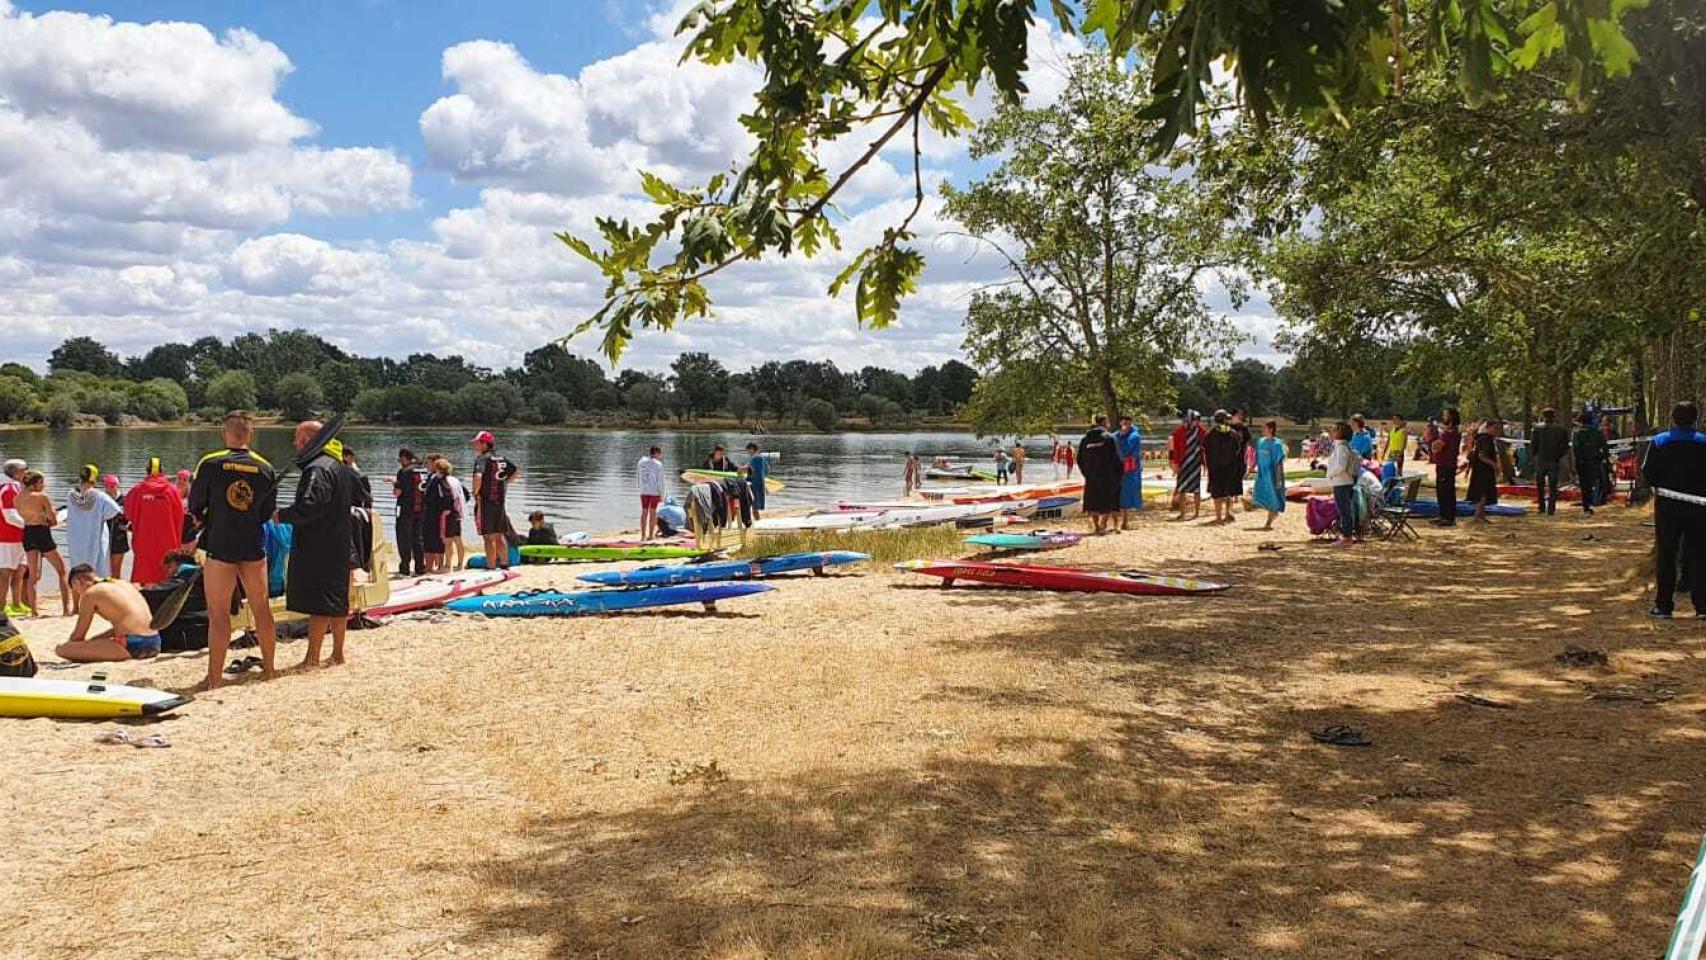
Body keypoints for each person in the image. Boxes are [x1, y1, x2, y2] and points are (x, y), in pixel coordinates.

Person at [188, 410, 279, 689]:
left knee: (218, 615)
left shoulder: (211, 463)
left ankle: (214, 678)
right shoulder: (266, 468)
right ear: (250, 434)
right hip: (252, 544)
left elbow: (194, 505)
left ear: (224, 433)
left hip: (220, 544)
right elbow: (265, 512)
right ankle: (269, 671)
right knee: (262, 610)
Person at [278, 421, 359, 669]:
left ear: (310, 440)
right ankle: (337, 653)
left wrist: (282, 515)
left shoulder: (317, 469)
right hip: (340, 541)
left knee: (319, 603)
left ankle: (312, 656)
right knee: (337, 600)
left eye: (297, 438)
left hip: (319, 543)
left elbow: (309, 506)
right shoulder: (342, 468)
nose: (294, 443)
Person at [1641, 401, 1706, 619]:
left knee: (1666, 554)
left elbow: (1647, 471)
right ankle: (1702, 606)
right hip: (1699, 508)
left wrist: (1662, 486)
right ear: (1695, 420)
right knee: (1699, 554)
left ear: (1672, 418)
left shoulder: (1660, 441)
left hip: (1668, 507)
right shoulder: (1703, 442)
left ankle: (1664, 605)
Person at [54, 566, 159, 662]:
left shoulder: (91, 593)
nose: (80, 594)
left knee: (61, 649)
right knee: (92, 642)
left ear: (78, 582)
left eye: (77, 590)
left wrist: (72, 645)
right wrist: (95, 640)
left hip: (132, 646)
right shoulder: (124, 583)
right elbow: (127, 625)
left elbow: (78, 636)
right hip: (155, 641)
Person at [123, 458, 184, 585]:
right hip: (168, 543)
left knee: (143, 576)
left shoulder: (137, 490)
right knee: (166, 573)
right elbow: (180, 516)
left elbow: (127, 513)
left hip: (143, 542)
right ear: (162, 471)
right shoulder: (172, 491)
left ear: (147, 471)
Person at [18, 471, 70, 615]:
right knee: (62, 570)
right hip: (42, 532)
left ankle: (34, 611)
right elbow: (53, 519)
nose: (44, 485)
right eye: (41, 482)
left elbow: (25, 515)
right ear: (34, 484)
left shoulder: (17, 499)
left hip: (28, 533)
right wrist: (51, 520)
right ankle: (66, 609)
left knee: (33, 576)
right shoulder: (42, 497)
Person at [65, 465, 121, 577]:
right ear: (94, 479)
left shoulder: (71, 495)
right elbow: (115, 510)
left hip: (76, 541)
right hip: (95, 540)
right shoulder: (100, 496)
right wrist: (101, 516)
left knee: (78, 572)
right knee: (99, 573)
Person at [471, 430, 516, 571]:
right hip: (500, 502)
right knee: (498, 534)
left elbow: (478, 477)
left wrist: (475, 492)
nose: (475, 445)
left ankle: (490, 567)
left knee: (487, 537)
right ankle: (504, 564)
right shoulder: (501, 458)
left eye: (477, 443)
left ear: (485, 444)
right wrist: (504, 483)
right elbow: (515, 471)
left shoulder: (482, 459)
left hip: (486, 501)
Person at [1077, 416, 1122, 535]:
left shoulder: (1085, 440)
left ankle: (1097, 526)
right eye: (1107, 422)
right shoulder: (1109, 438)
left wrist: (1086, 473)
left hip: (1091, 476)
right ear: (1103, 423)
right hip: (1108, 476)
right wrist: (1119, 473)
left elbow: (1079, 459)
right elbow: (1116, 458)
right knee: (1109, 501)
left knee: (1093, 503)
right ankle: (1104, 524)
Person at [1203, 410, 1244, 524]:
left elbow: (1206, 449)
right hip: (1229, 467)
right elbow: (1238, 449)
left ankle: (1219, 516)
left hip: (1216, 467)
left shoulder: (1210, 434)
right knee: (1227, 491)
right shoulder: (1233, 433)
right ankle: (1226, 513)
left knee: (1218, 492)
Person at [392, 448, 428, 577]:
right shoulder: (423, 470)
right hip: (420, 509)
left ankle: (405, 568)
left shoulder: (403, 472)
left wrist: (394, 483)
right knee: (418, 539)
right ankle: (420, 567)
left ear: (403, 458)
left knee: (403, 539)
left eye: (400, 460)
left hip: (405, 509)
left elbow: (397, 493)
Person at [1529, 408, 1571, 516]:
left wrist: (1535, 456)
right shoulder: (1561, 429)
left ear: (1543, 416)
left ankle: (1541, 507)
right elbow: (1565, 446)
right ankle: (1551, 509)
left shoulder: (1537, 429)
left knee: (1540, 485)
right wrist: (1558, 455)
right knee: (1553, 485)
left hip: (1541, 459)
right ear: (1554, 416)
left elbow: (1533, 445)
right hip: (1554, 460)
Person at [0, 460, 26, 617]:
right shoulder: (9, 489)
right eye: (25, 470)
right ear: (17, 472)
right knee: (6, 571)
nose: (27, 473)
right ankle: (1, 606)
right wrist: (29, 524)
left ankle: (16, 604)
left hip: (17, 535)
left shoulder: (15, 487)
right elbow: (10, 515)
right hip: (8, 536)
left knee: (19, 569)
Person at [1327, 422, 1359, 546]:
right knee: (1344, 509)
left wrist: (1331, 473)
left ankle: (1347, 537)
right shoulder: (1341, 446)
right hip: (1343, 481)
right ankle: (1346, 535)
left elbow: (1341, 465)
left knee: (1344, 510)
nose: (1332, 432)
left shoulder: (1342, 447)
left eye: (1334, 430)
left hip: (1342, 482)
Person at [1430, 409, 1463, 527]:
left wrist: (1435, 445)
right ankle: (1443, 515)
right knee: (1441, 491)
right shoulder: (1448, 432)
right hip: (1442, 464)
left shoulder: (1451, 433)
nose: (1443, 417)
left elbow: (1438, 446)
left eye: (1445, 415)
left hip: (1447, 465)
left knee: (1446, 491)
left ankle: (1448, 517)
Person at [1252, 420, 1288, 530]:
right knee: (1261, 495)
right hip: (1262, 473)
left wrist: (1278, 479)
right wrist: (1252, 467)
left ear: (1271, 429)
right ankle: (1273, 513)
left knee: (1273, 496)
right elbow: (1257, 457)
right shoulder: (1260, 441)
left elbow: (1278, 463)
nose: (1262, 429)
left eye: (1264, 427)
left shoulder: (1277, 444)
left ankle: (1269, 520)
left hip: (1272, 474)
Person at [1170, 411, 1206, 519]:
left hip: (1195, 463)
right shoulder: (1179, 432)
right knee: (1182, 489)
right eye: (1195, 420)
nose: (1197, 422)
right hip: (1183, 462)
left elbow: (1205, 446)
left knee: (1196, 489)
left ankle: (1197, 513)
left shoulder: (1200, 431)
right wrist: (1174, 463)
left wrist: (1205, 463)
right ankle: (1182, 513)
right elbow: (1174, 448)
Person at [421, 453, 453, 574]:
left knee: (432, 540)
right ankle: (433, 566)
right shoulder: (434, 478)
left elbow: (447, 496)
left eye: (429, 463)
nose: (426, 465)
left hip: (434, 514)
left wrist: (445, 509)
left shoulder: (439, 480)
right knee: (432, 540)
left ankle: (434, 567)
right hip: (431, 512)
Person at [1571, 413, 1607, 514]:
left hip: (1581, 462)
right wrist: (1603, 457)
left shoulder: (1577, 433)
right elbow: (1604, 446)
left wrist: (1579, 459)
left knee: (1583, 484)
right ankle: (1593, 501)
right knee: (1594, 482)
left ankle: (1586, 505)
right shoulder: (1597, 432)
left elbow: (1576, 448)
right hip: (1594, 461)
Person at [1468, 418, 1502, 523]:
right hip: (1483, 469)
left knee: (1485, 492)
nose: (1496, 431)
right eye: (1495, 428)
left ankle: (1481, 515)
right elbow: (1482, 455)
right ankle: (1478, 516)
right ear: (1488, 427)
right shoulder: (1484, 439)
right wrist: (1494, 465)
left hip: (1484, 468)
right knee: (1483, 493)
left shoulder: (1485, 438)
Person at [1114, 416, 1144, 529]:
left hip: (1130, 469)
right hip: (1119, 468)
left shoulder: (1135, 436)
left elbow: (1126, 449)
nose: (1125, 425)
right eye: (1123, 422)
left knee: (1126, 494)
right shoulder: (1117, 434)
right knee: (1118, 494)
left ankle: (1125, 521)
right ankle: (1119, 522)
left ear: (1130, 423)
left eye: (1127, 423)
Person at [103, 473, 129, 580]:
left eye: (111, 485)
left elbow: (132, 517)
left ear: (116, 486)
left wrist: (128, 527)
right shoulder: (102, 499)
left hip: (119, 539)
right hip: (104, 538)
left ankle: (115, 591)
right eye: (106, 485)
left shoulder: (124, 500)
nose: (108, 488)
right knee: (103, 569)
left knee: (116, 568)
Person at [637, 445, 664, 540]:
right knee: (653, 512)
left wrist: (640, 488)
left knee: (644, 512)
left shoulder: (641, 462)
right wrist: (662, 494)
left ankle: (643, 535)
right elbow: (660, 481)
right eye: (660, 453)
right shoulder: (658, 464)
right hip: (654, 492)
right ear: (656, 453)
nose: (661, 455)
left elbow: (638, 476)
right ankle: (651, 536)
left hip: (643, 491)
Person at [743, 442, 770, 520]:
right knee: (755, 505)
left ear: (752, 449)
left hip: (755, 483)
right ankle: (757, 520)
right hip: (760, 482)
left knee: (754, 504)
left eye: (748, 450)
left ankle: (758, 521)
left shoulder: (756, 458)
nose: (748, 452)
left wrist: (740, 470)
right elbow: (768, 469)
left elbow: (751, 469)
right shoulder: (761, 457)